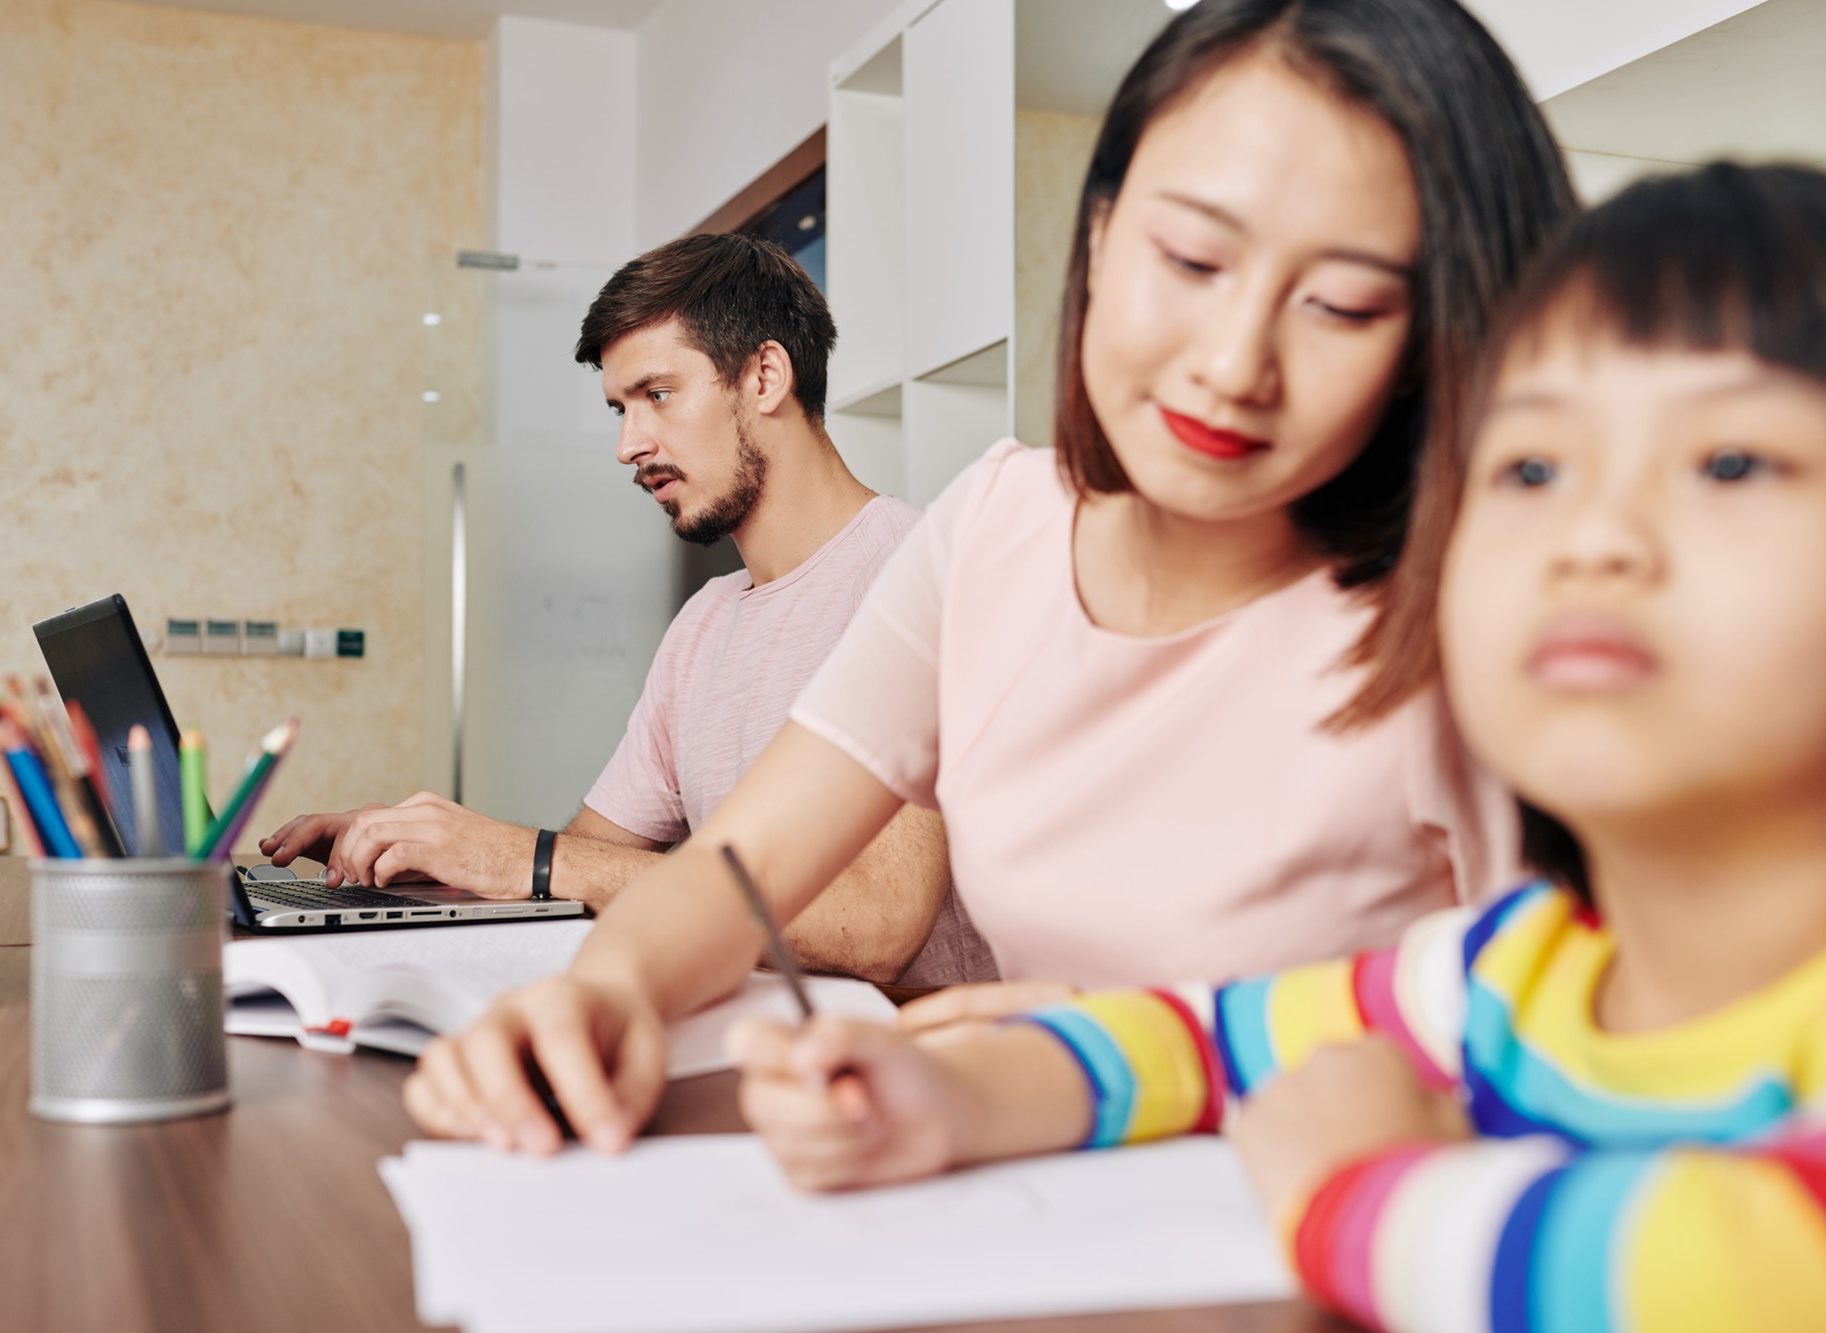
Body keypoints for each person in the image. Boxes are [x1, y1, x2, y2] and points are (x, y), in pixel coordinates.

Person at [400, 0, 1576, 1152]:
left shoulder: (1480, 612)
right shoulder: (998, 525)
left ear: (1435, 333)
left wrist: (1107, 1060)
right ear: (1104, 237)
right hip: (1026, 1203)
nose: (1231, 365)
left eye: (1340, 304)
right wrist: (605, 995)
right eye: (1190, 257)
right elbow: (734, 874)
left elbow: (1592, 1062)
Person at [736, 163, 1826, 1328]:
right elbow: (1205, 1033)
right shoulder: (1511, 971)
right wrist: (950, 1093)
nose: (1590, 538)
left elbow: (1735, 1267)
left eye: (1726, 462)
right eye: (1531, 469)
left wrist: (1349, 1189)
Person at [259, 233, 993, 986]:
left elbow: (876, 925)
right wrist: (421, 853)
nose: (628, 444)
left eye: (659, 395)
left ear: (767, 375)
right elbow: (592, 860)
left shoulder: (916, 575)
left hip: (907, 1071)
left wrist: (521, 857)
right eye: (620, 407)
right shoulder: (705, 624)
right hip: (753, 1044)